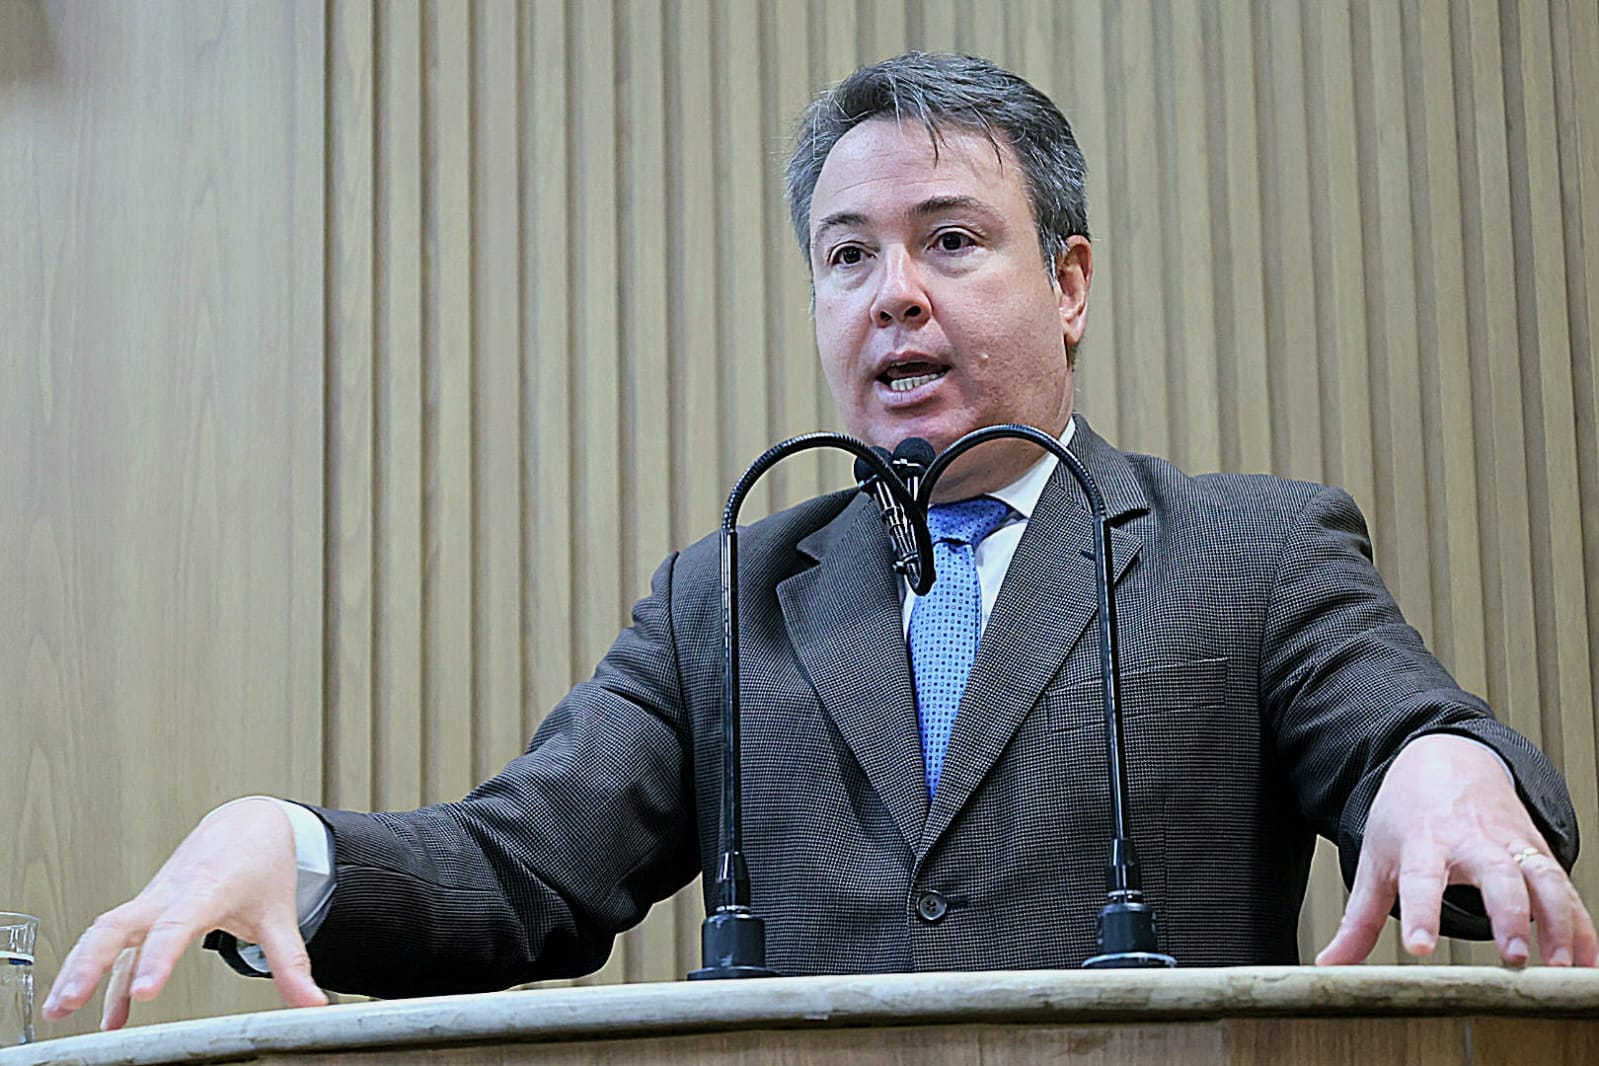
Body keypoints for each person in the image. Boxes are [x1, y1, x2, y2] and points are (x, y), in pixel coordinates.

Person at [44, 51, 1597, 1029]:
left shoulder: (1248, 553)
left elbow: (1415, 743)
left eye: (950, 241)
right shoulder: (726, 598)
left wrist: (1439, 768)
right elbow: (523, 864)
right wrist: (295, 847)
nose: (892, 293)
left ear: (1069, 283)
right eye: (847, 256)